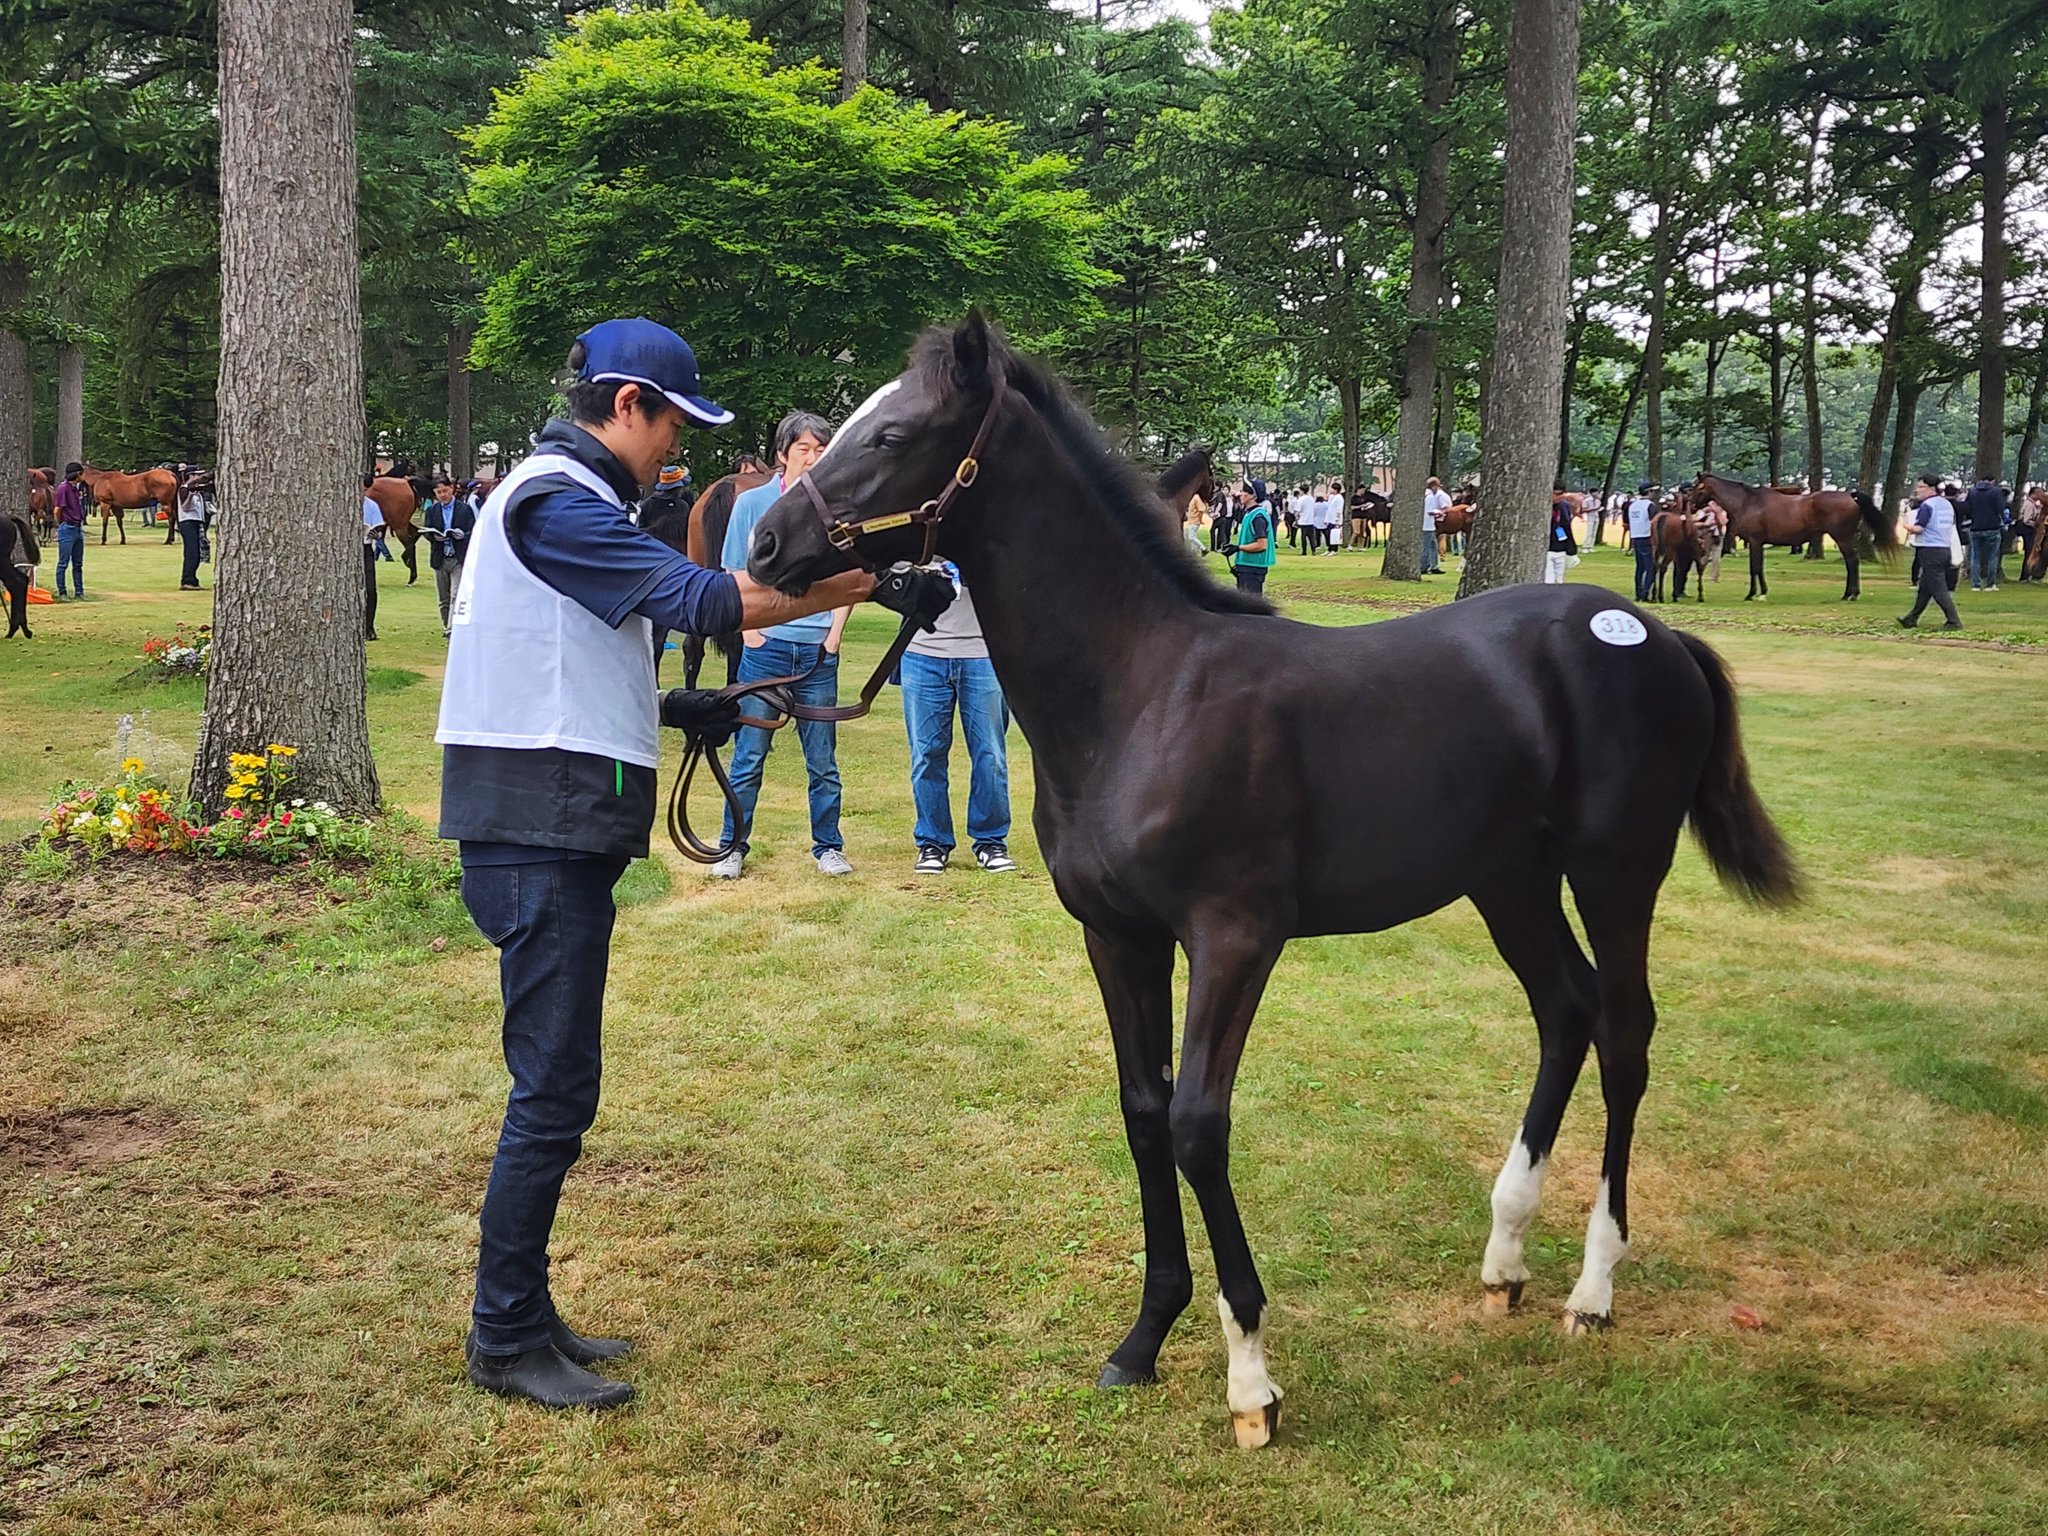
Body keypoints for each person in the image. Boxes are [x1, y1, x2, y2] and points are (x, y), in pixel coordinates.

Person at [437, 316, 951, 1411]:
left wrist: (676, 703)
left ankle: (523, 1315)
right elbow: (707, 600)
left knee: (556, 1086)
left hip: (547, 815)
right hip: (538, 827)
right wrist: (867, 580)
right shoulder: (553, 500)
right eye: (673, 424)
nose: (678, 449)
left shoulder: (564, 501)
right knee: (552, 1093)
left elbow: (571, 656)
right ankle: (503, 1337)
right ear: (627, 404)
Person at [714, 410, 853, 879]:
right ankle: (730, 846)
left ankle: (828, 846)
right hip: (766, 649)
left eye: (820, 450)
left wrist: (834, 632)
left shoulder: (835, 507)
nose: (812, 459)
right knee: (749, 753)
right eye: (804, 450)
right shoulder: (752, 505)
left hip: (817, 652)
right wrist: (750, 631)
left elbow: (848, 576)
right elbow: (732, 568)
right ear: (782, 454)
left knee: (823, 760)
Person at [902, 562, 1015, 874]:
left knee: (990, 754)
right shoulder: (917, 531)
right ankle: (932, 843)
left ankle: (990, 841)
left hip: (983, 652)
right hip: (921, 653)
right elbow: (887, 570)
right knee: (926, 754)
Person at [1898, 474, 1962, 629]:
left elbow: (1919, 529)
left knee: (1938, 589)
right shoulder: (1947, 505)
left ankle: (1953, 621)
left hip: (1930, 549)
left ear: (1931, 489)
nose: (1918, 490)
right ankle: (1912, 618)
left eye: (1921, 487)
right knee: (1925, 588)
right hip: (1944, 548)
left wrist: (1905, 524)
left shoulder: (1927, 506)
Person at [422, 476, 476, 636]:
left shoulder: (464, 509)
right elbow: (427, 531)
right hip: (440, 558)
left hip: (457, 557)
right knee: (443, 598)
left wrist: (462, 535)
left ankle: (452, 629)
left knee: (455, 594)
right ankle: (447, 624)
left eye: (445, 491)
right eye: (439, 492)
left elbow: (472, 530)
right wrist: (434, 537)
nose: (443, 495)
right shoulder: (431, 511)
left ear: (451, 488)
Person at [1224, 486, 1276, 593]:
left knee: (1251, 605)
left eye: (1243, 491)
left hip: (1253, 567)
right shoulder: (1249, 513)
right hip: (1246, 566)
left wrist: (1238, 548)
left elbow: (1261, 545)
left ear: (1253, 495)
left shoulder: (1258, 517)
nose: (1240, 494)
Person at [1960, 474, 2005, 592]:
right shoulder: (1996, 492)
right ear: (1992, 481)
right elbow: (2000, 508)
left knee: (1975, 556)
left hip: (1975, 527)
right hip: (1992, 527)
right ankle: (1990, 584)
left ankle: (1976, 584)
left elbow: (1967, 508)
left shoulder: (1972, 491)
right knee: (1992, 556)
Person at [52, 462, 86, 599]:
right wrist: (61, 524)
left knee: (78, 563)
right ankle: (62, 592)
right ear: (78, 474)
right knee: (63, 563)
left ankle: (79, 592)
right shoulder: (63, 488)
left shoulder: (75, 489)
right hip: (67, 528)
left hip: (77, 528)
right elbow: (57, 509)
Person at [176, 471, 212, 590]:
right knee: (192, 553)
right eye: (196, 475)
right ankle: (187, 580)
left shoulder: (198, 491)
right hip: (187, 522)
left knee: (198, 553)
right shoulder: (184, 489)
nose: (199, 477)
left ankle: (192, 579)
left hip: (196, 521)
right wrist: (191, 493)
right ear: (190, 476)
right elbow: (185, 507)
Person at [360, 481, 385, 640]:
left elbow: (379, 528)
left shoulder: (371, 505)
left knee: (370, 589)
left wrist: (376, 534)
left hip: (366, 547)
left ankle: (369, 626)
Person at [1627, 481, 1657, 602]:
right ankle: (1645, 593)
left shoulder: (1633, 505)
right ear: (1649, 492)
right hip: (1647, 537)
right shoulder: (1650, 505)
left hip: (1635, 537)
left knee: (1640, 567)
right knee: (1650, 567)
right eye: (1653, 491)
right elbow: (1655, 522)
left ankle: (1638, 592)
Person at [1544, 486, 1577, 583]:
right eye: (1557, 494)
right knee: (1549, 580)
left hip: (1561, 547)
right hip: (1548, 548)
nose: (1560, 497)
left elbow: (1567, 527)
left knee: (1559, 580)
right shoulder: (1544, 506)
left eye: (1561, 494)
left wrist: (1571, 549)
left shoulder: (1564, 506)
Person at [1421, 477, 1449, 574]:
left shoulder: (1425, 495)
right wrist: (1440, 513)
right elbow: (1430, 511)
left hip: (1429, 525)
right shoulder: (1430, 497)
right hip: (1427, 526)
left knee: (1433, 546)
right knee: (1426, 547)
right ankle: (1424, 566)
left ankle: (1434, 566)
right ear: (1434, 486)